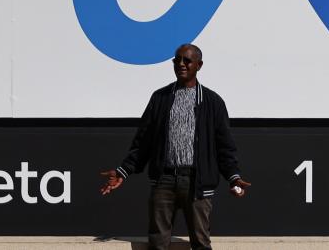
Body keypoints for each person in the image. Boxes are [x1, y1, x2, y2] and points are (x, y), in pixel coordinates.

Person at [100, 44, 251, 250]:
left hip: (197, 183)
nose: (181, 64)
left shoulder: (213, 102)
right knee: (158, 243)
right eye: (177, 60)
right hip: (164, 180)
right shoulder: (160, 98)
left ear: (199, 65)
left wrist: (233, 176)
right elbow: (143, 142)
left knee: (201, 244)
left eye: (187, 61)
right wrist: (123, 171)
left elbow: (224, 146)